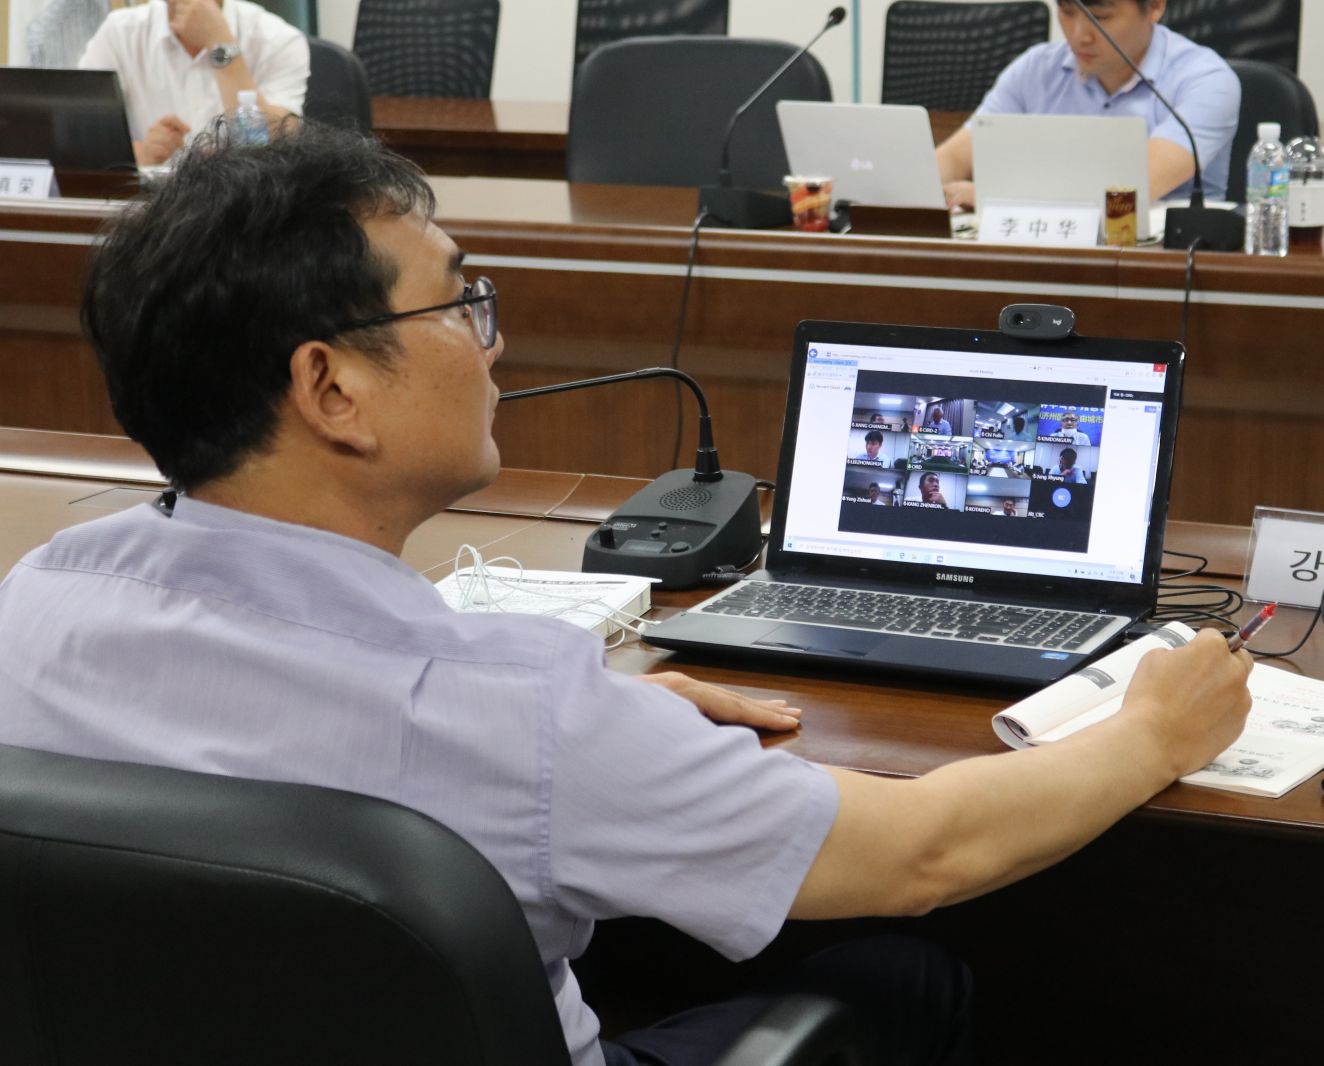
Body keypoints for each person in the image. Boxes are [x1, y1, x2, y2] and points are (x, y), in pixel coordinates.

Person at [0, 128, 1253, 1066]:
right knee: (903, 976)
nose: (493, 341)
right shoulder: (522, 718)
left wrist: (608, 714)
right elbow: (930, 849)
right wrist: (1153, 730)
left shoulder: (37, 603)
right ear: (332, 389)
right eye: (461, 302)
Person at [935, 0, 1240, 210]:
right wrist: (927, 187)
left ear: (1155, 6)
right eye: (1067, 12)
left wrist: (996, 197)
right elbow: (955, 157)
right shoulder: (1035, 69)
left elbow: (1133, 188)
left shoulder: (1205, 79)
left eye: (1100, 17)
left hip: (1165, 263)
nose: (1079, 35)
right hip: (1047, 251)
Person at [79, 0, 309, 166]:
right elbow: (81, 141)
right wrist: (141, 155)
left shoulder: (278, 39)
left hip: (244, 203)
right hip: (148, 204)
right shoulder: (118, 33)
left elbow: (276, 148)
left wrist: (220, 43)